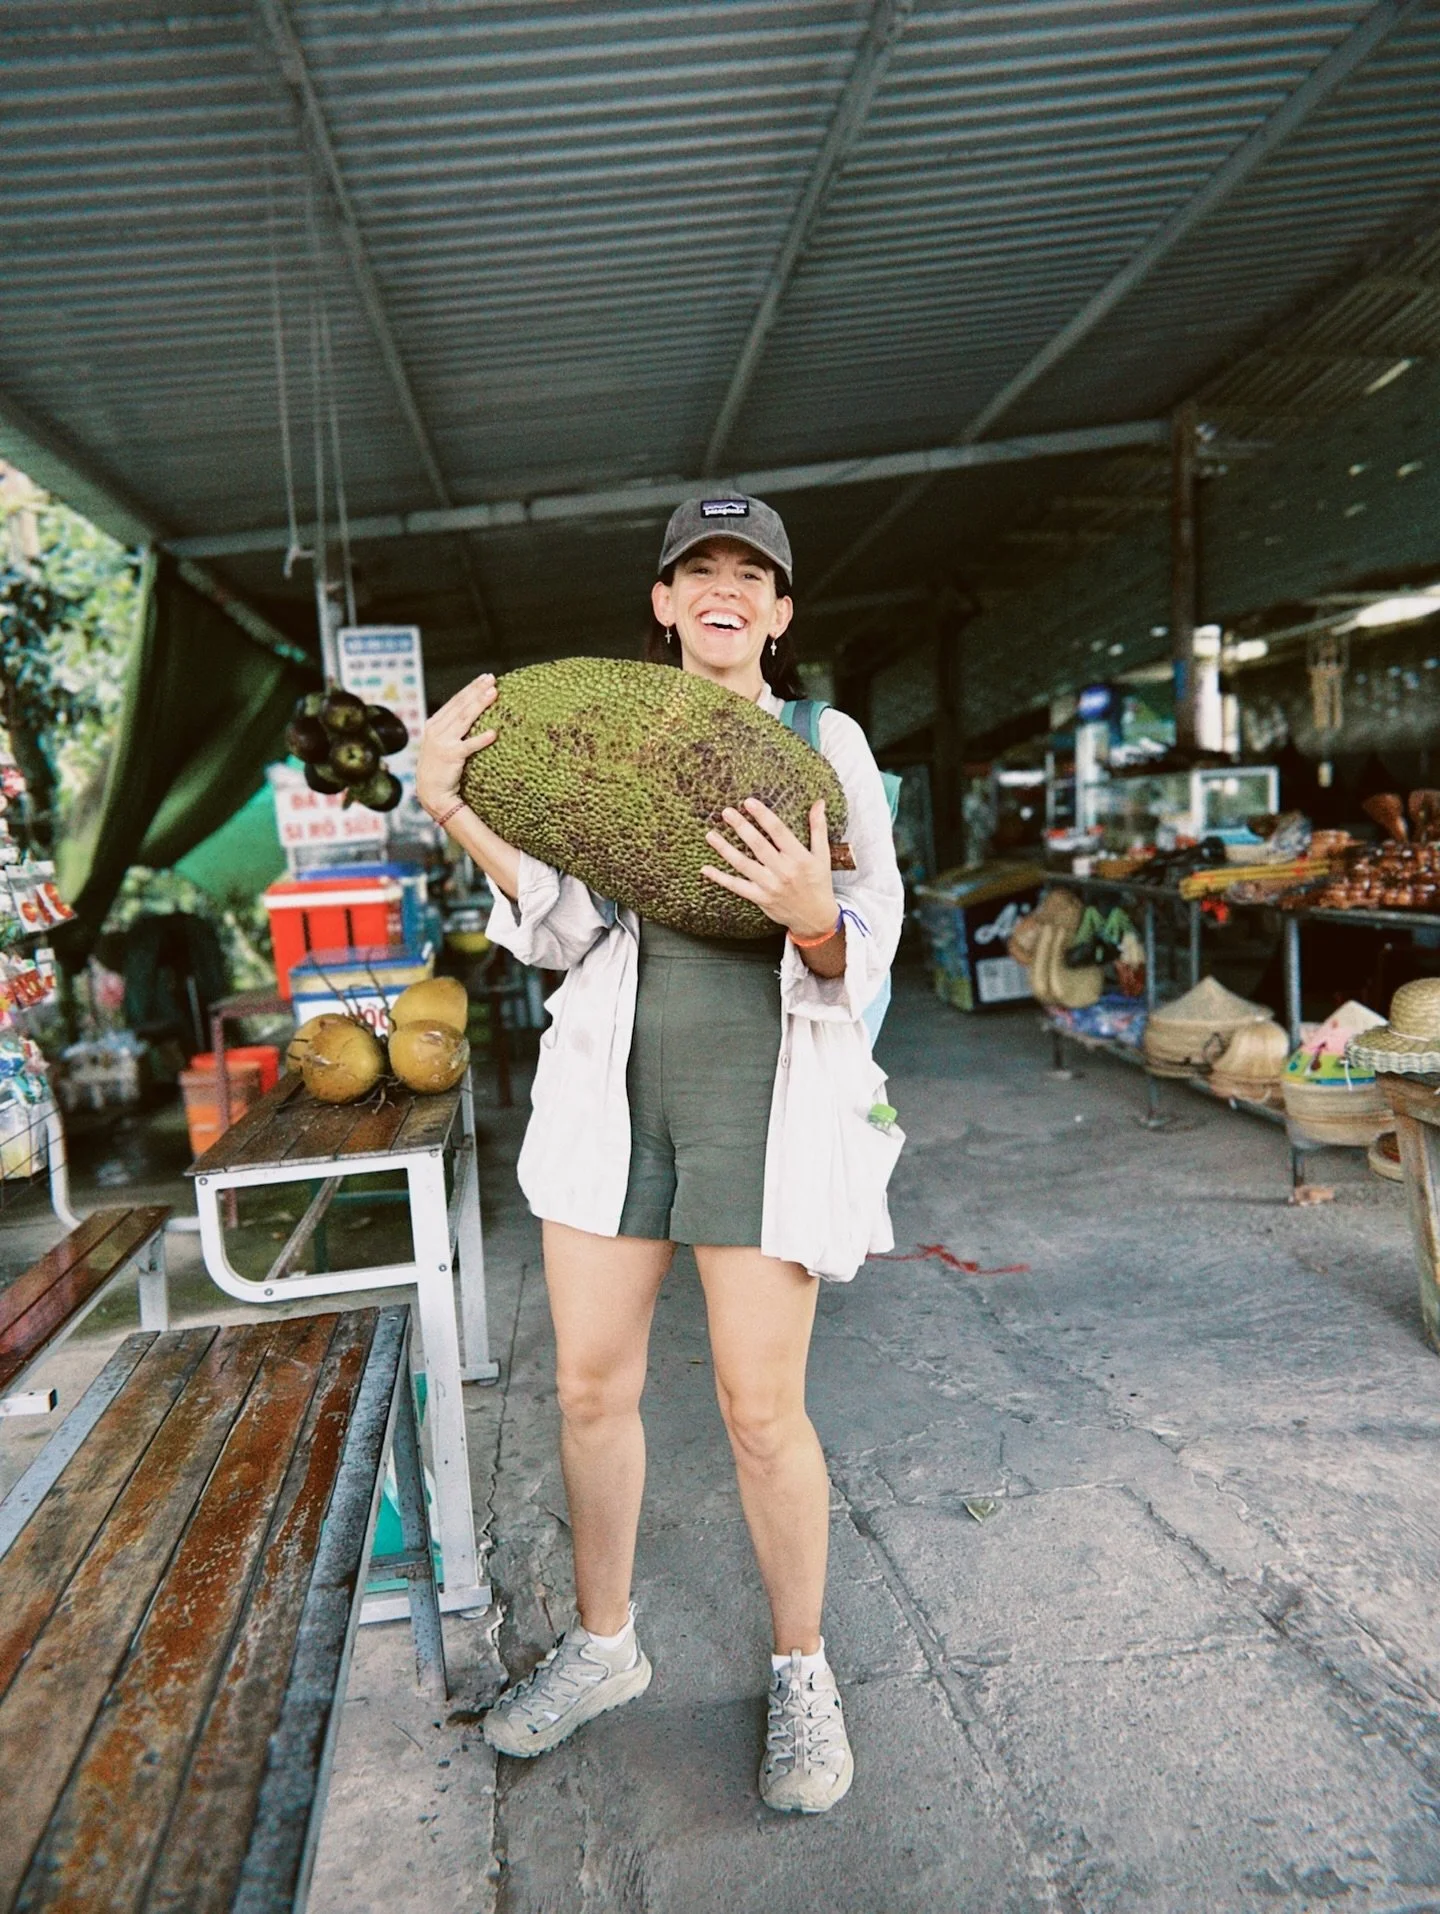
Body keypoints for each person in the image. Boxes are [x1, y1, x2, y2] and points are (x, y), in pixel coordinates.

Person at [416, 494, 903, 1814]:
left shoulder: (825, 742)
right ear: (664, 599)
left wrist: (814, 919)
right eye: (699, 571)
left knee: (760, 1411)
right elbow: (567, 928)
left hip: (767, 1092)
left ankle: (801, 1667)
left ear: (783, 611)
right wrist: (457, 809)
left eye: (751, 573)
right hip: (616, 1089)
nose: (723, 590)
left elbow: (875, 926)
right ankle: (603, 1642)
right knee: (587, 1389)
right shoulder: (608, 741)